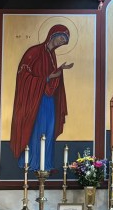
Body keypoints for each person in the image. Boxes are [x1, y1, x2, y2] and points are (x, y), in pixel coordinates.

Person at [10, 25, 71, 171]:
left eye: (64, 41)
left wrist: (58, 72)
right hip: (34, 100)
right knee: (36, 129)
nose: (61, 42)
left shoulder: (51, 56)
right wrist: (49, 77)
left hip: (48, 100)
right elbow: (24, 75)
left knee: (48, 130)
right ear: (53, 34)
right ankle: (30, 163)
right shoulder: (34, 52)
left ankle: (46, 164)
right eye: (61, 38)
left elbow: (50, 79)